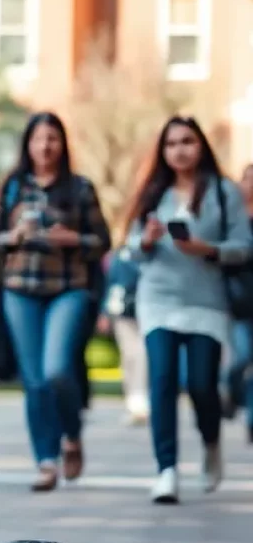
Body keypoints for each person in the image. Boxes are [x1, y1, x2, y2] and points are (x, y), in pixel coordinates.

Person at [125, 116, 253, 503]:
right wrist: (145, 241)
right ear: (162, 151)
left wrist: (207, 250)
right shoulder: (153, 192)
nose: (179, 150)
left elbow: (243, 246)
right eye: (171, 143)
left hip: (206, 302)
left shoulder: (222, 191)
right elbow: (129, 250)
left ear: (201, 146)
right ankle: (166, 470)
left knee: (200, 384)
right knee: (162, 381)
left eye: (187, 141)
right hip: (158, 298)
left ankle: (211, 441)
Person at [0, 112, 111, 492]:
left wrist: (73, 240)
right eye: (39, 139)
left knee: (58, 370)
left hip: (67, 289)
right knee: (35, 381)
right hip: (19, 290)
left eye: (53, 138)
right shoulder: (11, 187)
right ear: (27, 144)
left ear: (63, 144)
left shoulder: (79, 188)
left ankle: (71, 435)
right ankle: (46, 460)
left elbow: (103, 241)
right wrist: (13, 237)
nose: (46, 146)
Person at [96, 244, 148, 426]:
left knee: (141, 354)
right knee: (128, 356)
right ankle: (133, 400)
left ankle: (141, 399)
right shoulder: (115, 255)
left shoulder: (142, 248)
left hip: (144, 306)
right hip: (120, 308)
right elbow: (110, 284)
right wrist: (104, 312)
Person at [225, 162, 253, 441]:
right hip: (237, 302)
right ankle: (231, 392)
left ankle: (252, 419)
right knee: (241, 358)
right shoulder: (232, 219)